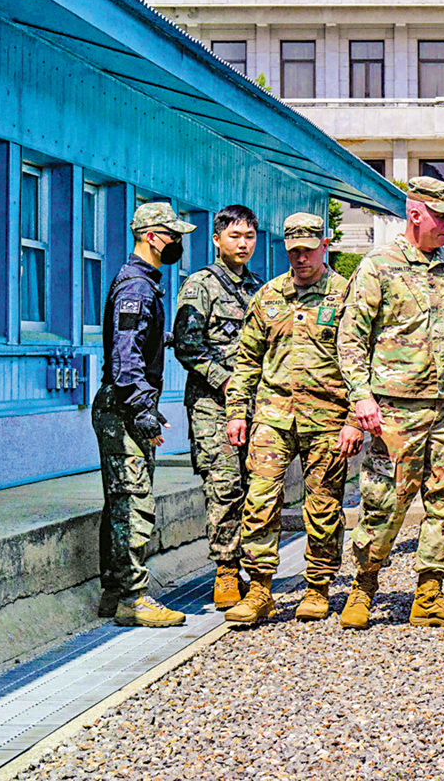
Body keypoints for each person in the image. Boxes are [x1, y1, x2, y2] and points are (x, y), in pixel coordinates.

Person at [337, 176, 444, 631]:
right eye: (440, 217)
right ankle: (363, 588)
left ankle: (429, 596)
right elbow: (350, 337)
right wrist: (360, 397)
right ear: (414, 213)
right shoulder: (377, 266)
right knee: (385, 502)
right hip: (393, 410)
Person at [223, 212, 356, 625]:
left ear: (325, 245)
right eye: (293, 250)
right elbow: (246, 360)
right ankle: (261, 589)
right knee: (260, 501)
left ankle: (317, 587)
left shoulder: (346, 295)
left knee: (323, 506)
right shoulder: (269, 296)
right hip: (273, 417)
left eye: (308, 249)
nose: (301, 258)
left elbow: (361, 362)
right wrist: (237, 412)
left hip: (327, 420)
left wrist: (354, 419)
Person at [92, 202, 196, 628]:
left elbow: (136, 339)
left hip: (124, 405)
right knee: (134, 503)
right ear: (152, 237)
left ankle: (115, 591)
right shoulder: (136, 285)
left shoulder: (145, 283)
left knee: (120, 501)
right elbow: (124, 356)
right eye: (173, 235)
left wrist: (167, 337)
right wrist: (142, 411)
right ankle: (133, 600)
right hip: (124, 408)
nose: (178, 243)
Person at [173, 205, 264, 610]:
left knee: (256, 486)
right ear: (216, 239)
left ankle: (253, 567)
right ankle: (225, 571)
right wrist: (227, 382)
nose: (242, 243)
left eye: (249, 236)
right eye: (234, 236)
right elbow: (188, 347)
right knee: (224, 486)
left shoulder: (259, 289)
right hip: (214, 404)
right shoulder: (200, 286)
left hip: (254, 406)